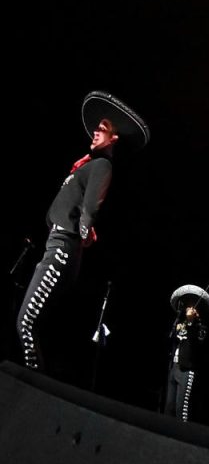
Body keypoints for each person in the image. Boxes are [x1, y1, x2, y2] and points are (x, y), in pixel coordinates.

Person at [16, 92, 149, 373]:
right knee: (32, 322)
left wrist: (85, 234)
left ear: (114, 139)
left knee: (25, 323)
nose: (97, 130)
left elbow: (90, 209)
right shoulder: (88, 164)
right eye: (97, 126)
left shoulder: (102, 165)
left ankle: (30, 387)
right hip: (56, 245)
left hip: (63, 248)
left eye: (104, 128)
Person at [163, 284, 209, 422]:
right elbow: (171, 340)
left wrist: (192, 322)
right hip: (174, 366)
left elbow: (195, 343)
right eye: (189, 307)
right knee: (169, 406)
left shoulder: (201, 328)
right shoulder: (181, 324)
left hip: (186, 369)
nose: (190, 309)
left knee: (182, 407)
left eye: (193, 307)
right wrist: (176, 330)